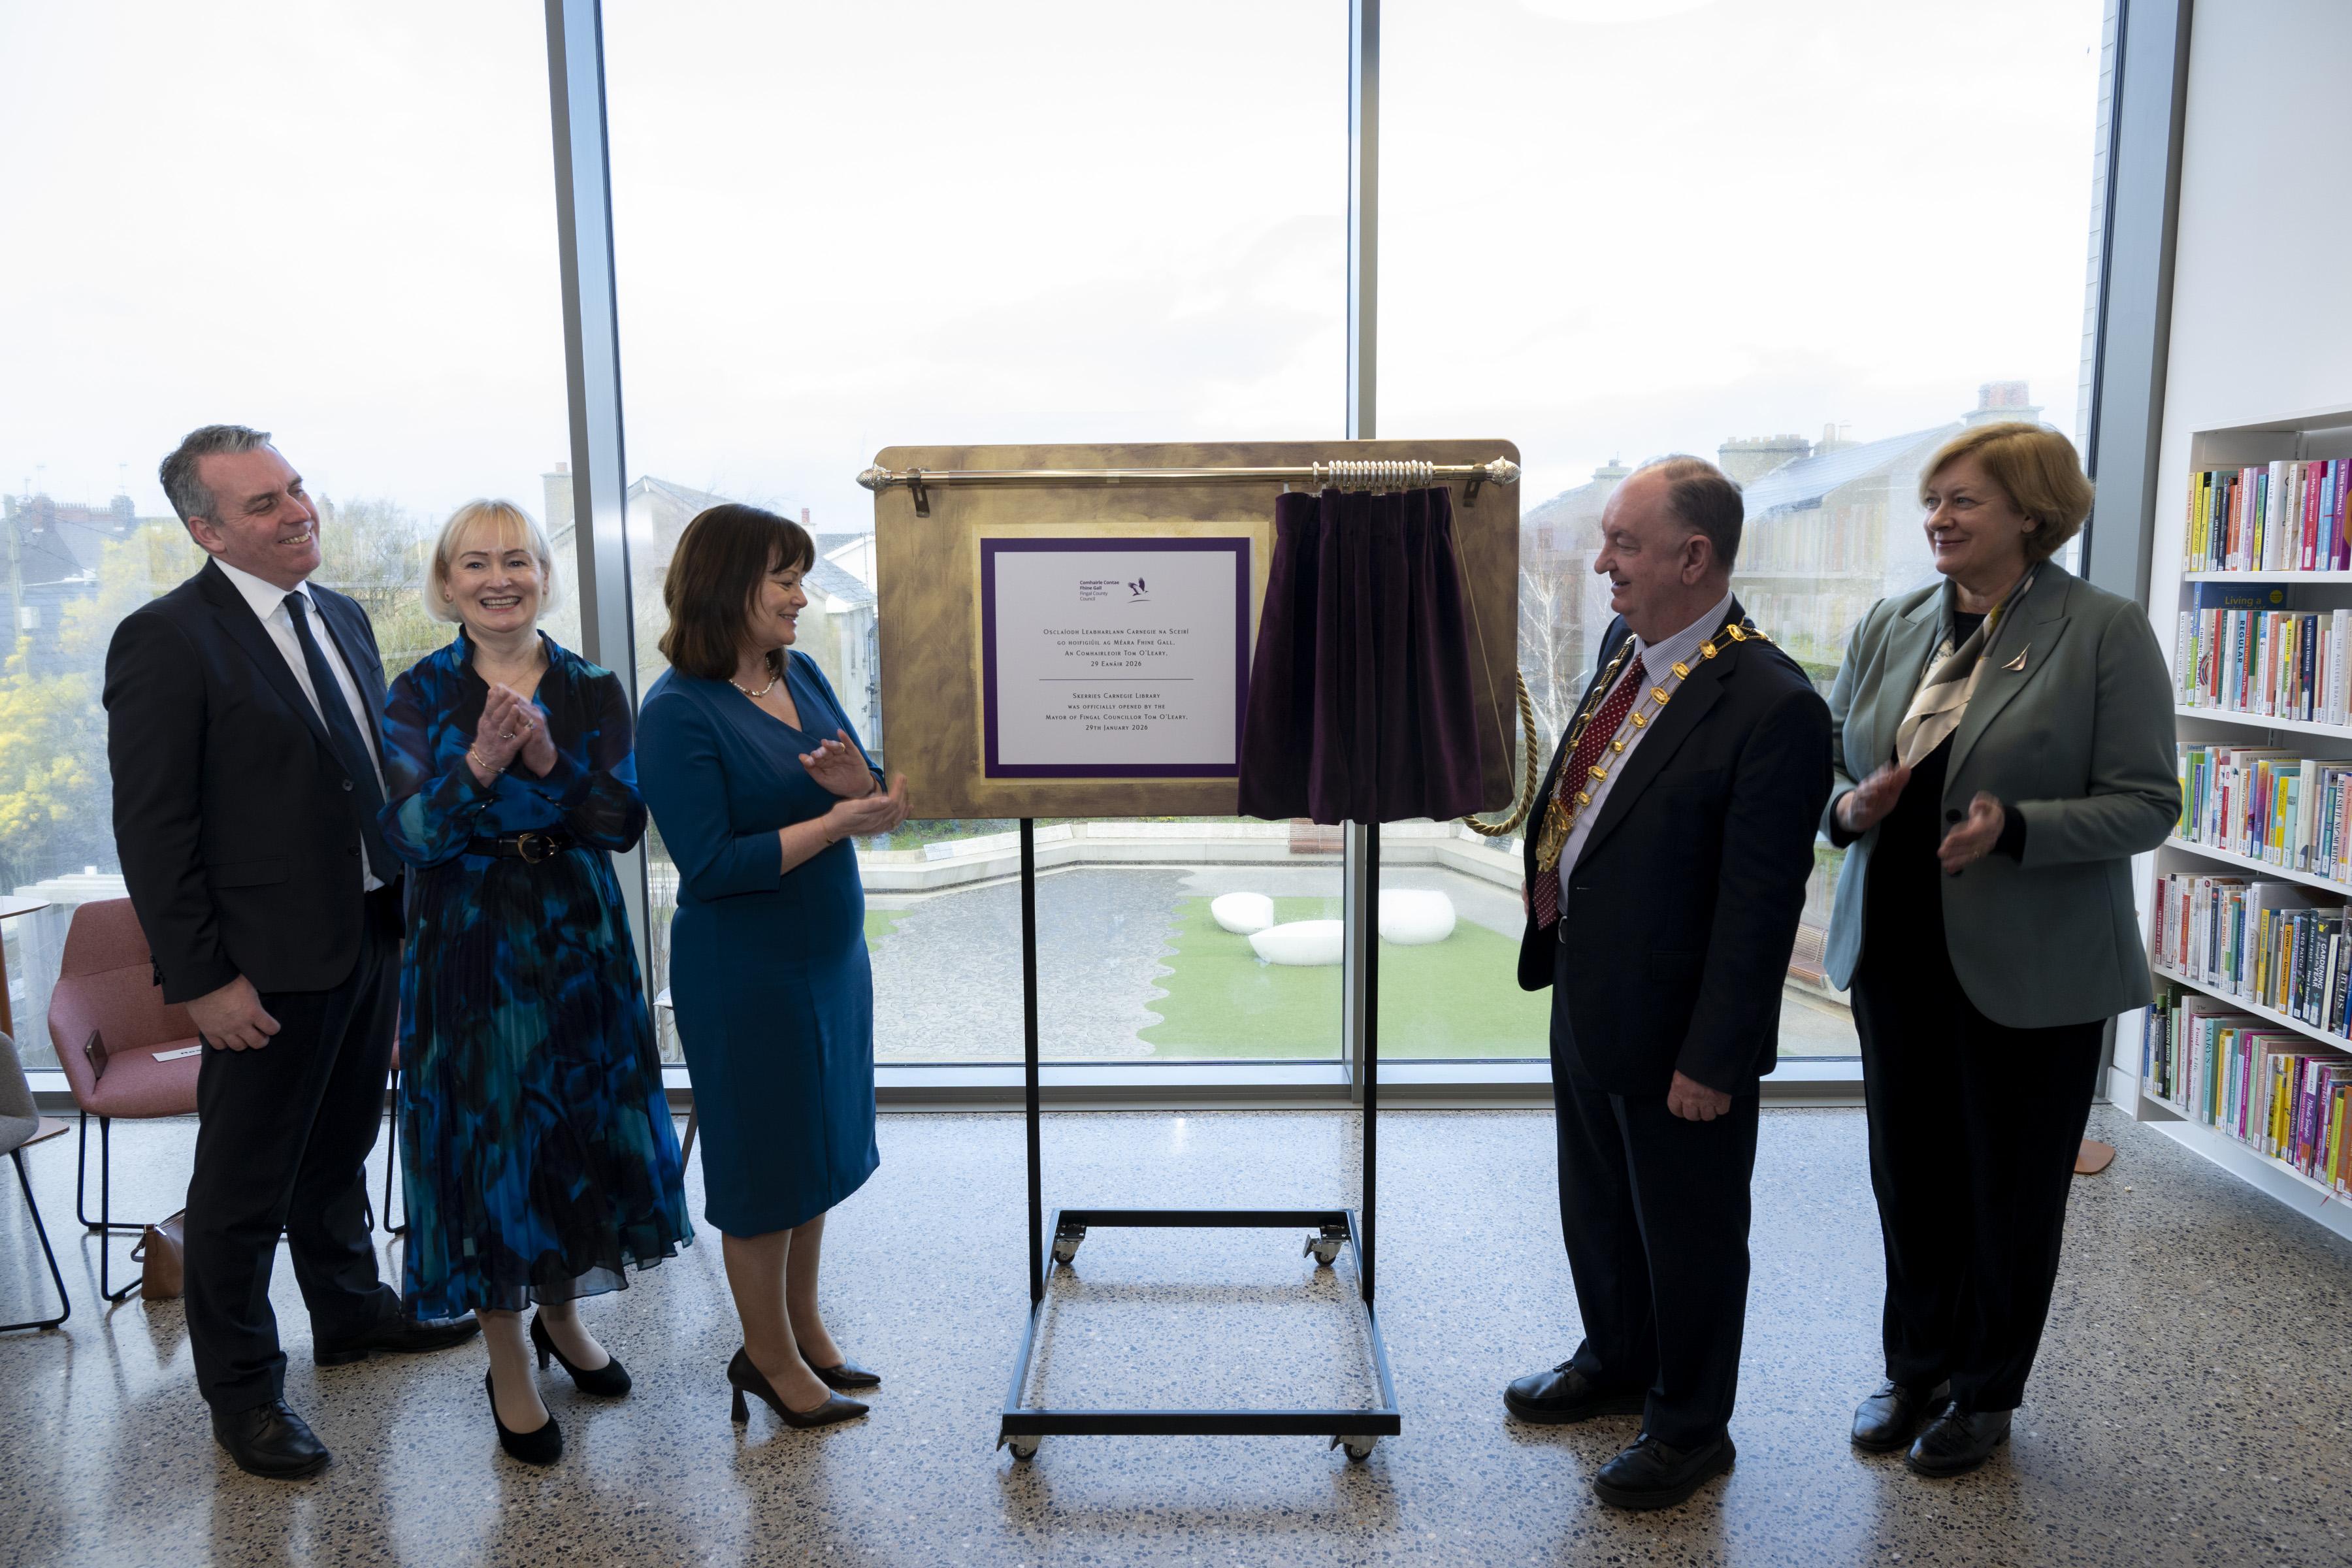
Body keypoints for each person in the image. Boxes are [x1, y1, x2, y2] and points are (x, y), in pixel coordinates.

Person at [105, 426, 478, 1480]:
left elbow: (369, 780)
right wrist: (203, 981)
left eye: (296, 487)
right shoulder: (165, 640)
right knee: (241, 1192)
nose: (296, 510)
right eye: (264, 503)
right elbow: (155, 832)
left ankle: (353, 1313)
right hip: (258, 967)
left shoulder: (343, 617)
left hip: (367, 930)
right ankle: (245, 1397)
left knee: (339, 1147)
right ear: (207, 530)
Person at [1820, 423, 2176, 1477]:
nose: (1939, 518)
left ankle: (1985, 1393)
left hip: (2037, 964)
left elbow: (2149, 803)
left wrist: (2015, 828)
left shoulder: (2103, 632)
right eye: (1934, 500)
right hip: (1898, 948)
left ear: (2031, 512)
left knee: (2008, 1190)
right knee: (1911, 1175)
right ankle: (1914, 1368)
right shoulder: (1893, 624)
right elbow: (1830, 771)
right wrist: (1847, 809)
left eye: (1964, 501)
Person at [1503, 456, 1831, 1511]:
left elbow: (1758, 910)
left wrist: (1715, 1056)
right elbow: (1595, 791)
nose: (1602, 564)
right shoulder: (1625, 645)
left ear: (1695, 557)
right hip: (1591, 990)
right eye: (1607, 542)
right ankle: (1616, 1359)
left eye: (1624, 545)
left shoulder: (1773, 704)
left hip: (1682, 1029)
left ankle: (1692, 1428)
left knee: (1688, 1233)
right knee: (1597, 1203)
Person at [378, 500, 693, 1466]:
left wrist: (549, 757)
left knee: (572, 1131)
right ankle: (507, 1356)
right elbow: (405, 837)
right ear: (446, 583)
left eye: (516, 559)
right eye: (475, 563)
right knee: (491, 1142)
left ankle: (563, 1316)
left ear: (543, 576)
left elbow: (622, 824)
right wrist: (478, 763)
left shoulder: (595, 687)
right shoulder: (419, 691)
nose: (497, 578)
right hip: (468, 939)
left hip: (574, 930)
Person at [637, 504, 909, 1431]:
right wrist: (836, 820)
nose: (801, 596)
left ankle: (804, 1331)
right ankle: (768, 1359)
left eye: (800, 576)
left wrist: (863, 794)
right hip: (745, 968)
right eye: (783, 579)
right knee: (762, 1168)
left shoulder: (806, 673)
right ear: (726, 589)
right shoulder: (676, 711)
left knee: (815, 1150)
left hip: (830, 954)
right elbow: (710, 865)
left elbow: (863, 790)